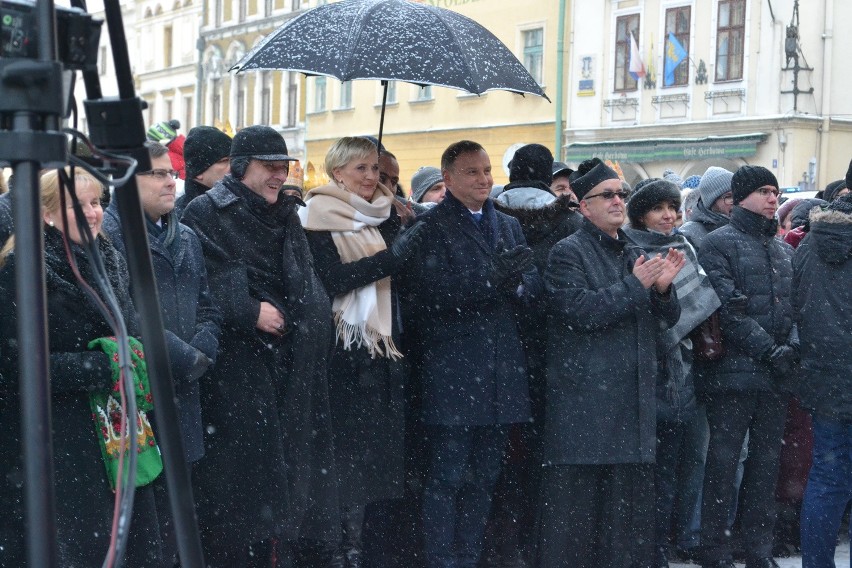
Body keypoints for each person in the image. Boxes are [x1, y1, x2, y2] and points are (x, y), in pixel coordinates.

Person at [181, 125, 338, 567]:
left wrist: (307, 319)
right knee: (241, 489)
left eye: (282, 167)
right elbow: (200, 282)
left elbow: (304, 279)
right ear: (240, 167)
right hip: (239, 368)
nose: (278, 176)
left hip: (292, 363)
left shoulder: (287, 212)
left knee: (290, 483)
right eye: (269, 167)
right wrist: (249, 310)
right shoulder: (204, 212)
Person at [0, 168, 164, 567]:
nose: (95, 214)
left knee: (128, 544)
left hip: (116, 429)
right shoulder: (21, 270)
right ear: (47, 214)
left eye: (97, 203)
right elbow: (13, 367)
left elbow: (132, 327)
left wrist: (134, 353)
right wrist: (101, 364)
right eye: (81, 205)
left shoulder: (109, 258)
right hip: (57, 440)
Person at [537, 157, 684, 568]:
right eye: (608, 195)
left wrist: (662, 292)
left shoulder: (633, 247)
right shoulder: (568, 252)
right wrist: (636, 286)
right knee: (581, 521)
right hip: (587, 406)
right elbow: (579, 312)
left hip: (633, 402)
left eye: (622, 194)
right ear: (584, 206)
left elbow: (667, 321)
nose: (619, 201)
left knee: (626, 519)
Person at [406, 140, 541, 568]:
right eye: (472, 172)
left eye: (486, 171)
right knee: (445, 477)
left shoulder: (508, 225)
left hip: (502, 370)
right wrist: (488, 282)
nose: (484, 180)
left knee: (486, 477)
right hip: (454, 371)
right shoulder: (430, 228)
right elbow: (426, 296)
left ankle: (469, 555)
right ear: (446, 179)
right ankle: (443, 560)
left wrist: (520, 285)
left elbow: (533, 284)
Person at [299, 136, 425, 567]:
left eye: (375, 168)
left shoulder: (387, 216)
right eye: (361, 169)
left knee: (379, 468)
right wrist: (394, 256)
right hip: (343, 356)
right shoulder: (318, 215)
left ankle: (369, 549)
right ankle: (340, 549)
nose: (372, 177)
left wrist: (401, 235)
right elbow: (333, 279)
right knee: (346, 464)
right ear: (337, 173)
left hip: (384, 355)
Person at [102, 142, 223, 565]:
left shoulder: (185, 235)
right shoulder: (110, 235)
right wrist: (182, 356)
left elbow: (207, 303)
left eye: (171, 173)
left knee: (179, 516)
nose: (170, 181)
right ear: (125, 181)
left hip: (185, 392)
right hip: (142, 395)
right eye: (157, 174)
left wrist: (204, 347)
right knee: (145, 520)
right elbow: (126, 313)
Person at [697, 165, 796, 568]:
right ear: (740, 197)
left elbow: (795, 308)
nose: (773, 198)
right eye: (763, 191)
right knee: (723, 462)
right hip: (733, 374)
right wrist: (771, 350)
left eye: (775, 191)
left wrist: (788, 347)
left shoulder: (783, 249)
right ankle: (714, 548)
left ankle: (757, 549)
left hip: (775, 374)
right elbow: (726, 308)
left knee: (766, 464)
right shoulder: (718, 244)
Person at [489, 143, 582, 566]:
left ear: (510, 171)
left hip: (494, 352)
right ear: (548, 175)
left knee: (499, 456)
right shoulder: (569, 223)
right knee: (545, 454)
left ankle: (501, 544)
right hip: (553, 352)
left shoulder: (490, 216)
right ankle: (538, 542)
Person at [623, 179, 721, 568]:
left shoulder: (684, 246)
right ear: (641, 213)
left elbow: (702, 299)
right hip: (644, 373)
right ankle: (643, 549)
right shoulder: (629, 249)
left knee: (674, 467)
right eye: (658, 208)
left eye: (672, 207)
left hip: (685, 374)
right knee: (645, 471)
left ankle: (662, 546)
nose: (668, 215)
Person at [794, 193, 852, 567]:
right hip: (830, 374)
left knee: (828, 479)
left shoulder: (810, 241)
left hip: (825, 378)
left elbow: (795, 300)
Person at [174, 125, 232, 217]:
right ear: (198, 172)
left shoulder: (239, 204)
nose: (232, 167)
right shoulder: (186, 216)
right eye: (224, 161)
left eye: (233, 160)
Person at [679, 166, 734, 249]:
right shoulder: (688, 234)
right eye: (728, 197)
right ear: (711, 202)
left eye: (737, 195)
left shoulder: (747, 226)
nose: (736, 201)